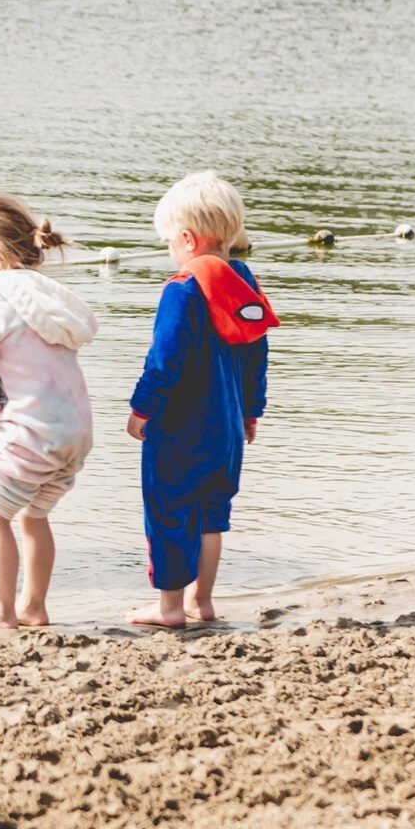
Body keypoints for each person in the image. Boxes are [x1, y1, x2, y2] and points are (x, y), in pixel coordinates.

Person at [126, 170, 275, 629]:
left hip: (181, 430)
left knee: (169, 512)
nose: (171, 251)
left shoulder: (183, 289)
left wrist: (140, 408)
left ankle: (170, 608)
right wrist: (251, 411)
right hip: (227, 430)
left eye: (170, 242)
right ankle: (201, 602)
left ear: (187, 239)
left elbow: (164, 360)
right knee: (211, 517)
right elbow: (257, 354)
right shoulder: (243, 281)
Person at [0, 194, 97, 635]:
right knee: (34, 516)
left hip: (32, 432)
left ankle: (1, 609)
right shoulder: (48, 294)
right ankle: (33, 606)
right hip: (75, 432)